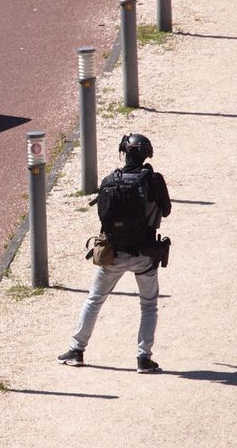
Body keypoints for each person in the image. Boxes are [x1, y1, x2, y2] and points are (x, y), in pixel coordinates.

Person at [58, 134, 171, 373]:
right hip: (145, 254)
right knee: (149, 305)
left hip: (112, 254)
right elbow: (167, 211)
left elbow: (102, 215)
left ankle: (77, 350)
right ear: (146, 155)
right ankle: (143, 358)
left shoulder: (110, 180)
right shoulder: (154, 180)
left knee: (94, 300)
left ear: (124, 153)